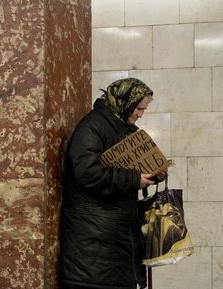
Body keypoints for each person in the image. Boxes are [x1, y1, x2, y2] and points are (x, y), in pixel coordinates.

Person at [60, 78, 163, 289]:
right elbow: (88, 173)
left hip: (116, 242)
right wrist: (134, 179)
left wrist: (153, 174)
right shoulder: (93, 126)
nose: (140, 114)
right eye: (138, 108)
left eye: (143, 109)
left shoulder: (125, 129)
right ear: (125, 101)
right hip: (93, 249)